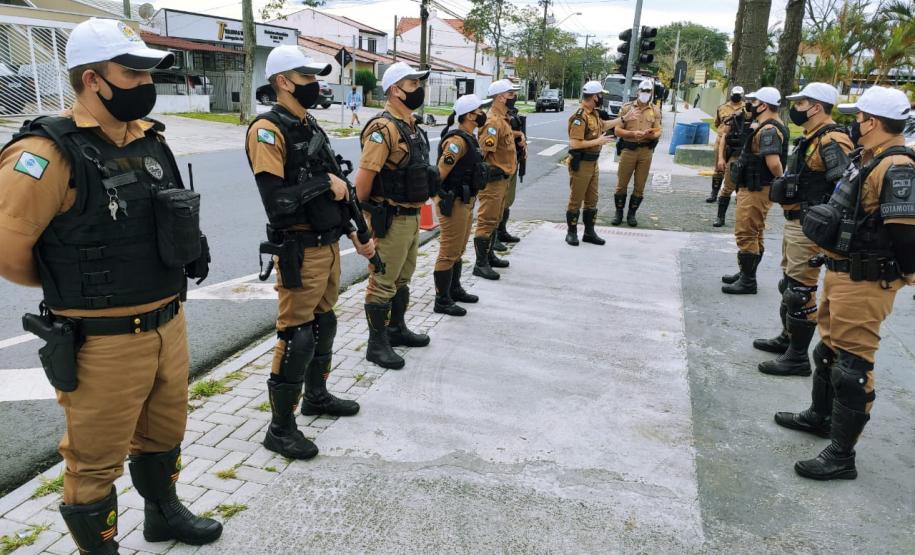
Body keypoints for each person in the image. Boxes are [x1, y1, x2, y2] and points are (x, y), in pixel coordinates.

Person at [0, 18, 218, 553]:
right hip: (102, 341)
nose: (145, 82)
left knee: (165, 434)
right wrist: (76, 286)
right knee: (95, 458)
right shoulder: (47, 154)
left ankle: (162, 514)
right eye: (132, 71)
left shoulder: (150, 142)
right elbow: (9, 254)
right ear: (92, 79)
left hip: (170, 323)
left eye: (149, 70)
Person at [775, 86, 915, 480]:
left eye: (860, 118)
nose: (856, 124)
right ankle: (819, 417)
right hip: (840, 271)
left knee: (852, 367)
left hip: (866, 279)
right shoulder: (870, 157)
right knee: (829, 353)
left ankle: (841, 455)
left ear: (873, 122)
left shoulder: (898, 165)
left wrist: (907, 272)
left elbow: (904, 231)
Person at [246, 45, 375, 460]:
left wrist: (357, 230)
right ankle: (280, 429)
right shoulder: (267, 130)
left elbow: (342, 186)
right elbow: (277, 202)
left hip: (329, 244)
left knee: (326, 322)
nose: (315, 86)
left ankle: (316, 395)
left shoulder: (309, 125)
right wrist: (325, 186)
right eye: (306, 79)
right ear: (282, 82)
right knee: (296, 335)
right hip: (299, 250)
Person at [755, 83, 854, 376]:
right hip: (797, 220)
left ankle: (797, 357)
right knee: (789, 283)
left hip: (810, 225)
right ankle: (788, 339)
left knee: (800, 290)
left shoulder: (832, 139)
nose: (797, 109)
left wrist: (825, 219)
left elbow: (844, 186)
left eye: (801, 104)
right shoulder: (813, 136)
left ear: (817, 107)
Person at [355, 62, 436, 370]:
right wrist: (364, 223)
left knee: (403, 277)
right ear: (394, 90)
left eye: (418, 83)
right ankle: (376, 345)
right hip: (390, 218)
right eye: (412, 84)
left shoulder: (413, 126)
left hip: (412, 215)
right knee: (383, 281)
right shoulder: (382, 129)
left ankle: (396, 329)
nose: (418, 89)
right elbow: (363, 184)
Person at [721, 87, 788, 295]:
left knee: (746, 232)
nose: (750, 104)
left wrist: (780, 178)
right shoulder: (766, 126)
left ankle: (748, 281)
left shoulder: (769, 130)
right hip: (754, 186)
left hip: (757, 188)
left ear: (764, 105)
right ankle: (746, 273)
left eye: (754, 101)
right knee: (755, 232)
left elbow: (774, 163)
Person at [433, 94, 490, 315]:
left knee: (458, 249)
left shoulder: (469, 137)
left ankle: (454, 289)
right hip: (453, 202)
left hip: (466, 201)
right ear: (468, 115)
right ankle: (442, 299)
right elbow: (438, 174)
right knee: (448, 251)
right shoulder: (456, 142)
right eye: (478, 111)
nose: (481, 114)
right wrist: (438, 198)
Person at [564, 80, 634, 246]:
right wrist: (598, 141)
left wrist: (623, 119)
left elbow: (604, 125)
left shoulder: (593, 114)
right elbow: (575, 143)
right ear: (594, 96)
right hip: (581, 163)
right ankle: (571, 232)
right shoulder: (580, 117)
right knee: (576, 199)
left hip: (593, 164)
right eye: (600, 95)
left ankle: (589, 232)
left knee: (592, 199)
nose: (602, 97)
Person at [473, 79, 526, 280]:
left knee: (495, 219)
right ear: (501, 97)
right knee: (486, 221)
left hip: (503, 179)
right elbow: (484, 153)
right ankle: (480, 263)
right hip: (493, 181)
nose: (514, 98)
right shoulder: (493, 122)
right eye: (511, 94)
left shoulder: (503, 119)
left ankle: (489, 255)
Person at [613, 79, 662, 227]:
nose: (645, 94)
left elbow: (658, 131)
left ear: (651, 93)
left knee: (640, 186)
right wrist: (633, 134)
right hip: (629, 149)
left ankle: (632, 214)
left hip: (646, 151)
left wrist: (650, 134)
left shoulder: (655, 110)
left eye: (648, 91)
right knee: (621, 184)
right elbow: (617, 130)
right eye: (643, 91)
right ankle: (619, 212)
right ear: (638, 91)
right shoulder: (627, 108)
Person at [709, 86, 747, 216]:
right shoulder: (722, 107)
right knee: (718, 167)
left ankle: (732, 193)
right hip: (722, 139)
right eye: (734, 94)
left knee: (733, 170)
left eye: (738, 95)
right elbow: (717, 123)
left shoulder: (746, 108)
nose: (736, 96)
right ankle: (714, 193)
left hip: (737, 143)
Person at [492, 102, 526, 251]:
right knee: (498, 203)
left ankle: (501, 231)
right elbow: (502, 135)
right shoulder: (495, 118)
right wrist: (519, 134)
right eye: (510, 93)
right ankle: (493, 238)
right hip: (501, 166)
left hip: (513, 161)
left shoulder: (511, 114)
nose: (513, 96)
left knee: (507, 200)